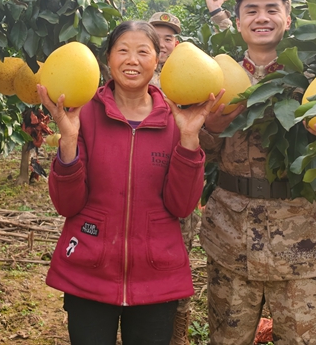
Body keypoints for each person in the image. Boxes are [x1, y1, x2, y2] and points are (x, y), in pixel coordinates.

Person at [37, 21, 216, 345]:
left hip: (156, 274)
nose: (132, 60)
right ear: (107, 58)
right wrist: (69, 139)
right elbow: (67, 205)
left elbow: (182, 205)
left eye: (142, 52)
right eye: (123, 50)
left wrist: (189, 138)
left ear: (158, 60)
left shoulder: (175, 118)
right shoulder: (84, 112)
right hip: (89, 270)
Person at [198, 0, 316, 345]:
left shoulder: (315, 81)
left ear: (287, 19)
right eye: (251, 10)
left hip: (298, 239)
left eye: (272, 9)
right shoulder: (215, 78)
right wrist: (209, 126)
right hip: (230, 235)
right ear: (239, 21)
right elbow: (198, 153)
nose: (262, 17)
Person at [148, 11, 196, 345]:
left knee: (176, 268)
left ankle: (176, 335)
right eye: (157, 36)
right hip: (141, 189)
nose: (163, 44)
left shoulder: (190, 78)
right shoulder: (133, 76)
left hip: (178, 188)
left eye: (169, 38)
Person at [148, 11, 180, 88]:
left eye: (168, 39)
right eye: (156, 38)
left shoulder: (181, 73)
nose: (161, 45)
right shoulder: (136, 70)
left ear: (176, 44)